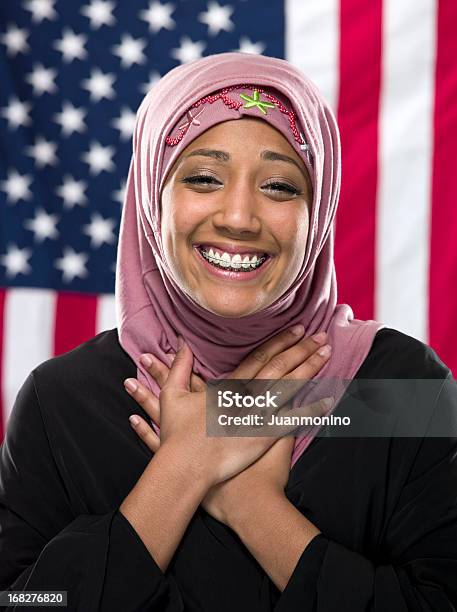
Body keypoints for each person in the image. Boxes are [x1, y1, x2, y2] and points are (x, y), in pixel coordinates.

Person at [0, 52, 456, 612]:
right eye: (204, 177)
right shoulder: (60, 402)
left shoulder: (402, 390)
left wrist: (250, 503)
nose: (239, 217)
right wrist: (183, 468)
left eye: (281, 187)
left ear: (321, 209)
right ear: (151, 197)